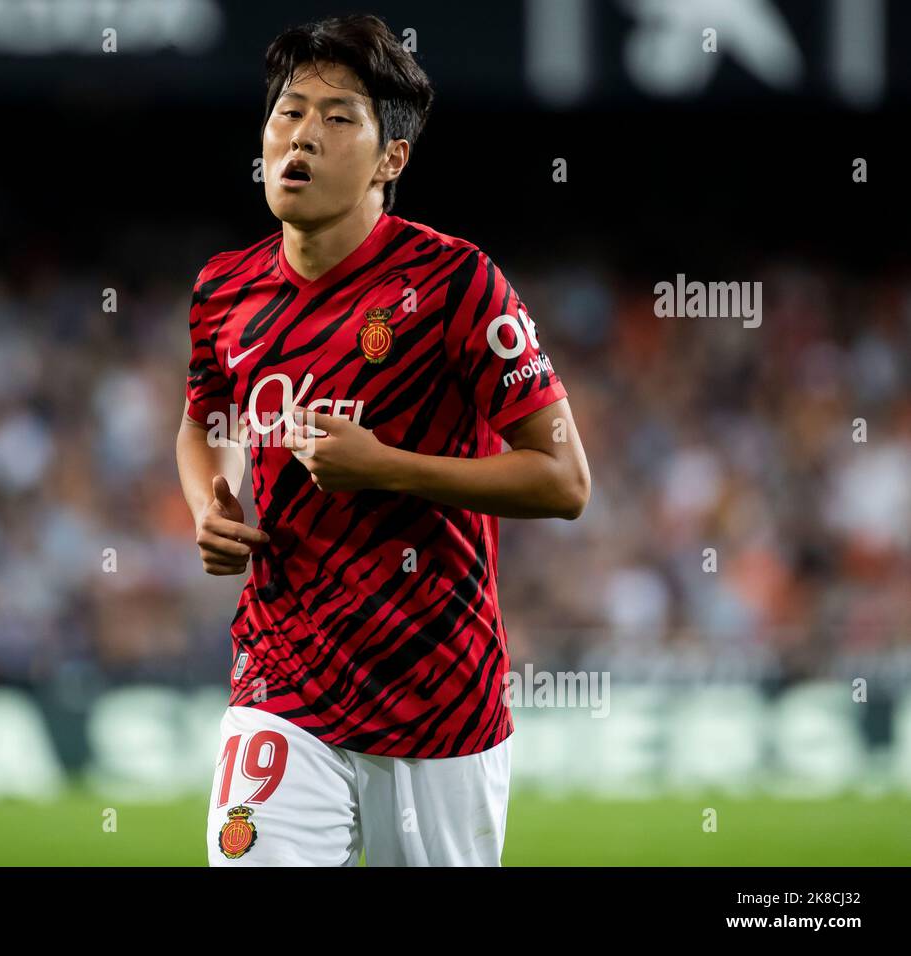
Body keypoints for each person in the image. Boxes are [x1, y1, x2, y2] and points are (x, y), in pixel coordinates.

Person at [175, 13, 590, 866]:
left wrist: (387, 469)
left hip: (436, 695)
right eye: (289, 112)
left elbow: (564, 482)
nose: (303, 137)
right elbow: (202, 419)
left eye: (338, 118)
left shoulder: (457, 284)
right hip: (280, 677)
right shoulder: (225, 288)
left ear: (390, 158)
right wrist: (206, 502)